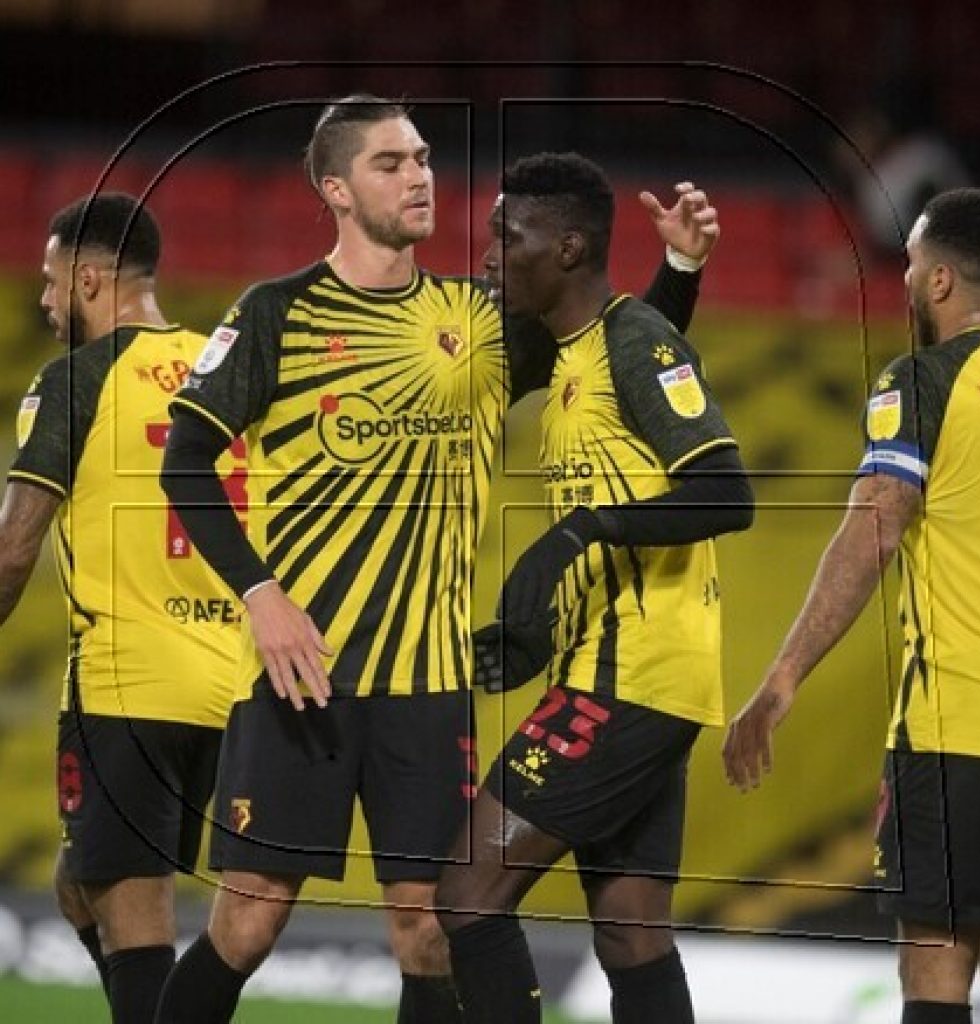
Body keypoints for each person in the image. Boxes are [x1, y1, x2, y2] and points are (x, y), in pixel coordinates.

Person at [154, 95, 720, 1024]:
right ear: (336, 189)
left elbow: (616, 352)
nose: (418, 176)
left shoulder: (483, 318)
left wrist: (682, 269)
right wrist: (260, 594)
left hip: (429, 681)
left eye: (420, 157)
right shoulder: (276, 313)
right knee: (248, 921)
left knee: (428, 928)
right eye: (390, 163)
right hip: (303, 670)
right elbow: (185, 461)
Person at [434, 152, 754, 1024]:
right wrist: (681, 269)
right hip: (634, 676)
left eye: (509, 236)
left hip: (630, 678)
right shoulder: (588, 348)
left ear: (569, 247)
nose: (490, 254)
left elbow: (727, 493)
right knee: (630, 932)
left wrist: (578, 532)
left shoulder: (631, 339)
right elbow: (637, 352)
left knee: (467, 893)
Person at [722, 187, 980, 1024]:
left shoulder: (924, 382)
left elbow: (874, 531)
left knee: (936, 973)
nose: (906, 283)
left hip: (961, 727)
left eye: (912, 267)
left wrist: (782, 677)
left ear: (940, 282)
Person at [0, 193, 242, 1023]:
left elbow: (15, 548)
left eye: (49, 280)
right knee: (79, 885)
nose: (42, 299)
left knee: (136, 924)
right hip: (228, 689)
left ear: (88, 278)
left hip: (127, 685)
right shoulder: (225, 367)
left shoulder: (77, 380)